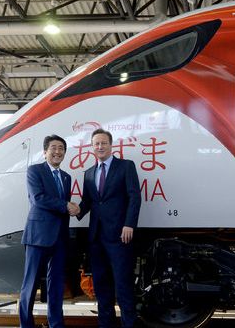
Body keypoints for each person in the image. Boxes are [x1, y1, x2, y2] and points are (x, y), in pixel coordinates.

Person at [77, 128, 141, 328]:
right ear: (92, 147)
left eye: (103, 143)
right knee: (102, 288)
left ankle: (128, 324)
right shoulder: (88, 173)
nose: (100, 146)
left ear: (111, 145)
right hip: (96, 238)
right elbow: (87, 203)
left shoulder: (126, 166)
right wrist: (72, 209)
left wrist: (129, 223)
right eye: (96, 143)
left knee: (123, 286)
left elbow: (134, 197)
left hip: (120, 236)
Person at [19, 134, 80, 328]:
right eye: (53, 148)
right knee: (30, 284)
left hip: (60, 238)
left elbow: (62, 208)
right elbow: (38, 199)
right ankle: (26, 324)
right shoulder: (34, 171)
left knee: (56, 285)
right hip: (38, 236)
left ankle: (56, 324)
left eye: (61, 148)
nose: (57, 151)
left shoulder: (66, 177)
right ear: (45, 152)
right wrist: (66, 205)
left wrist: (71, 208)